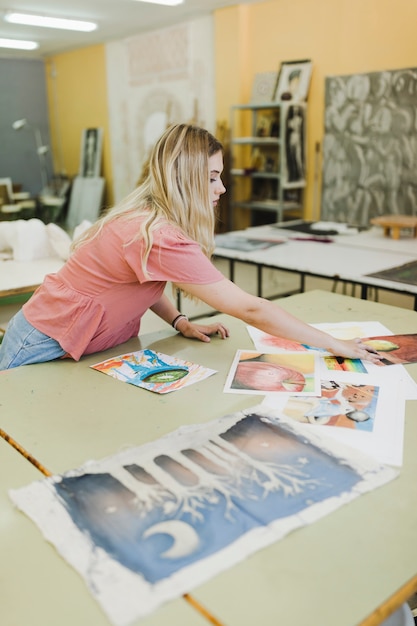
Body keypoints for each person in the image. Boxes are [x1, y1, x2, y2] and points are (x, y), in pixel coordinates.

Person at [0, 124, 382, 370]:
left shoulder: (150, 220)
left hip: (75, 340)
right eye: (212, 177)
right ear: (184, 179)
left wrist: (179, 321)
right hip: (41, 341)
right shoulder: (157, 233)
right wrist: (335, 344)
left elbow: (142, 284)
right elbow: (250, 308)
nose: (222, 188)